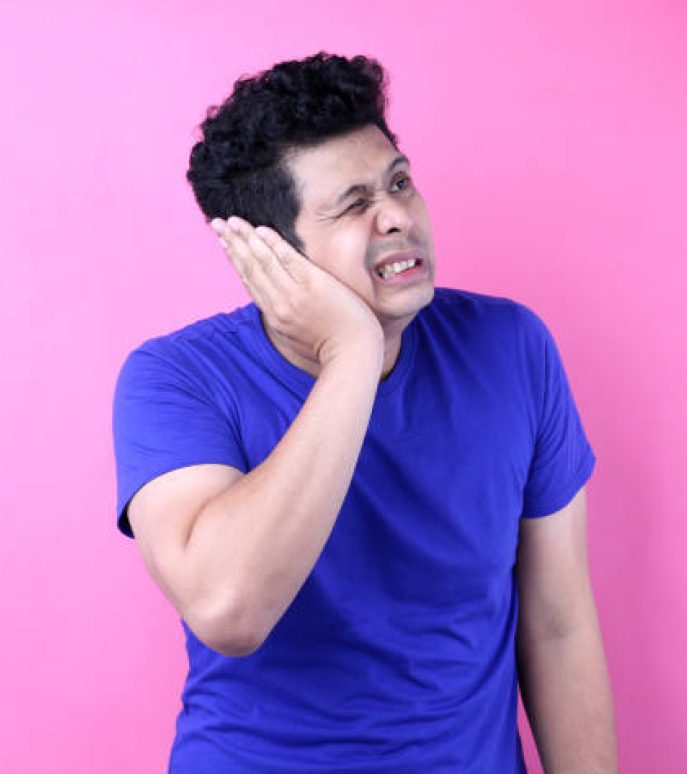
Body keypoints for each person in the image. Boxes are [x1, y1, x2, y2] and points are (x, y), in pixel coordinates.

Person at [112, 52, 617, 773]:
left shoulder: (512, 347)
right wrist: (351, 353)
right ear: (269, 254)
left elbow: (558, 624)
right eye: (353, 205)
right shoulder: (175, 380)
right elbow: (228, 608)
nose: (398, 217)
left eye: (401, 183)